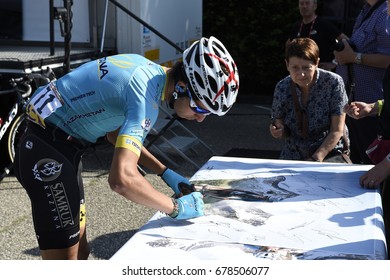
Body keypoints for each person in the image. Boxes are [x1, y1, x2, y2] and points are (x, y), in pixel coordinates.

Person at [13, 36, 240, 260]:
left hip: (59, 144)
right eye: (201, 110)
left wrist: (164, 172)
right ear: (182, 88)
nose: (201, 119)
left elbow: (115, 133)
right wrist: (175, 207)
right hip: (46, 150)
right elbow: (122, 180)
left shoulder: (146, 70)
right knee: (64, 263)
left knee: (81, 252)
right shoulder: (144, 99)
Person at [270, 37, 349, 162]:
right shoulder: (282, 87)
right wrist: (278, 130)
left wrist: (316, 158)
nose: (301, 74)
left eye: (306, 67)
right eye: (295, 67)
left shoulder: (333, 82)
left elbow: (337, 130)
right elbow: (279, 123)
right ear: (287, 65)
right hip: (293, 154)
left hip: (329, 153)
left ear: (317, 63)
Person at [334, 0, 390, 164]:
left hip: (372, 107)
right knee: (359, 163)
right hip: (359, 107)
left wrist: (355, 58)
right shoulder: (366, 10)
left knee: (371, 166)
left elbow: (388, 59)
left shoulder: (385, 13)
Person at [287, 0, 348, 71]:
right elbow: (288, 45)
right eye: (301, 3)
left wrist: (335, 63)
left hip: (321, 72)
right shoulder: (296, 26)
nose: (304, 6)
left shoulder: (324, 25)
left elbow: (346, 41)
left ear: (315, 6)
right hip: (300, 73)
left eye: (307, 3)